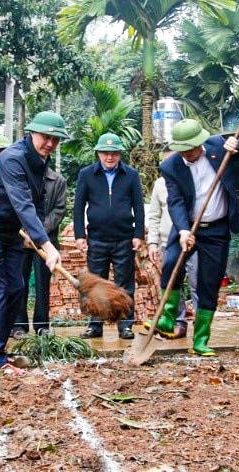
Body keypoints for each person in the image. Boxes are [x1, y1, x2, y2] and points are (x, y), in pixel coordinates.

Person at [0, 111, 66, 374]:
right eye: (46, 137)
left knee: (17, 289)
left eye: (56, 139)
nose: (50, 144)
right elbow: (22, 204)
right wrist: (47, 245)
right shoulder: (13, 159)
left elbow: (39, 202)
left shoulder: (41, 160)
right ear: (32, 132)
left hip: (9, 231)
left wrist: (39, 235)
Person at [144, 119, 239, 356]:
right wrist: (184, 230)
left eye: (191, 149)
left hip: (216, 229)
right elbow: (174, 201)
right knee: (171, 262)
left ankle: (201, 340)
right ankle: (167, 318)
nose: (187, 154)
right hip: (187, 226)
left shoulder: (218, 146)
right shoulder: (171, 166)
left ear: (200, 143)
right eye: (182, 150)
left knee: (209, 282)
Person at [74, 133, 144, 340]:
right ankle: (95, 325)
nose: (109, 157)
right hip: (97, 238)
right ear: (98, 154)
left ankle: (126, 325)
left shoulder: (130, 175)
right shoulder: (87, 174)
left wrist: (138, 234)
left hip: (124, 238)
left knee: (125, 284)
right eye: (105, 153)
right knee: (95, 284)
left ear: (120, 154)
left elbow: (138, 207)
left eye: (114, 153)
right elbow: (78, 207)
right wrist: (80, 235)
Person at [147, 146, 199, 338]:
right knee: (171, 282)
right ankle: (178, 323)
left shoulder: (193, 179)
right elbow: (154, 215)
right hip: (167, 242)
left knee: (197, 282)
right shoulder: (160, 185)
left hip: (194, 240)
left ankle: (201, 326)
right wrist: (152, 243)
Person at [12, 165, 67, 337]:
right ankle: (19, 326)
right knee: (19, 283)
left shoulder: (58, 181)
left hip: (46, 241)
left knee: (43, 285)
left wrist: (38, 234)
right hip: (21, 240)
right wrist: (25, 232)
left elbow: (59, 210)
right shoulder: (21, 178)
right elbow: (15, 206)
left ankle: (42, 325)